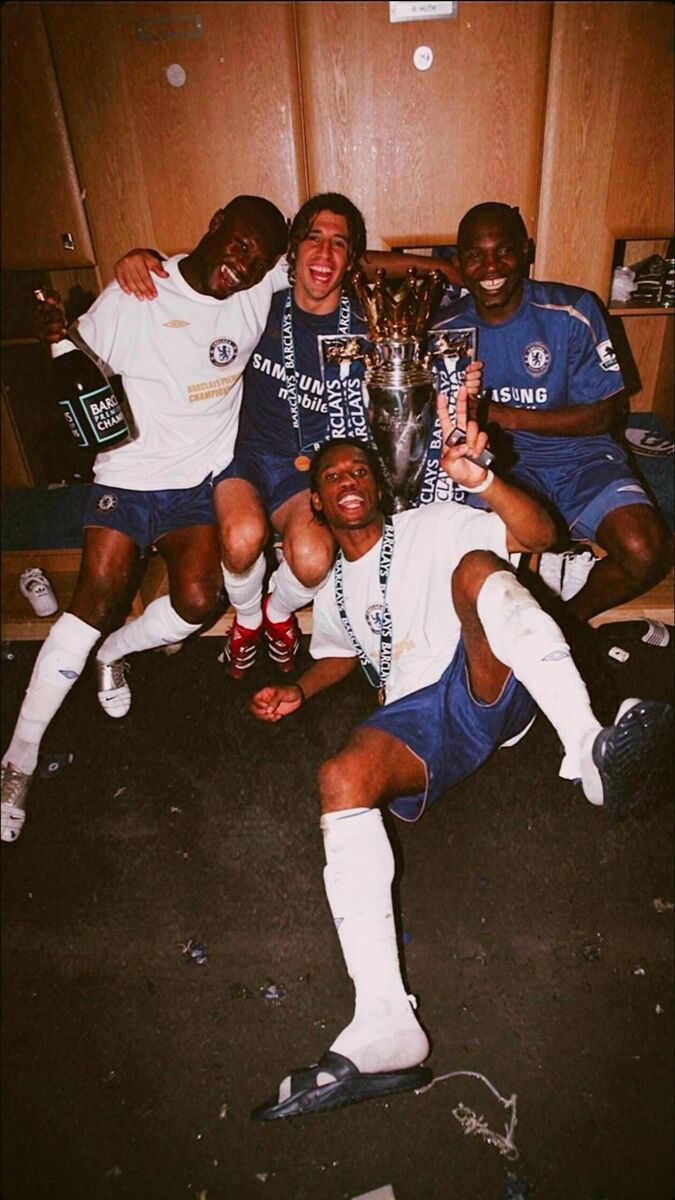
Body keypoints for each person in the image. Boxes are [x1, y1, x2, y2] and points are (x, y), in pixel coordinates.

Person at [247, 390, 673, 1120]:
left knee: (477, 565)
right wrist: (298, 689)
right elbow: (339, 656)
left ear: (379, 486)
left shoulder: (434, 523)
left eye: (360, 470)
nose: (348, 481)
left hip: (482, 669)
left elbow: (538, 533)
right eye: (333, 476)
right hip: (422, 717)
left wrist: (483, 480)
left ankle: (589, 748)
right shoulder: (336, 589)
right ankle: (385, 1024)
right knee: (340, 776)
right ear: (315, 502)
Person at [0, 195, 289, 843]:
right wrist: (55, 335)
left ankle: (116, 654)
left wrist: (439, 273)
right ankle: (18, 760)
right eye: (240, 245)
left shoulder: (261, 283)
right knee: (95, 600)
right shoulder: (137, 291)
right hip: (128, 476)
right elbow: (71, 359)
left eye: (260, 258)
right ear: (214, 225)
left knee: (199, 599)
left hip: (196, 485)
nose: (245, 266)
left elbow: (329, 253)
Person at [114, 194, 467, 679]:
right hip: (245, 454)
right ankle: (247, 619)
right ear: (293, 251)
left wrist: (449, 292)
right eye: (313, 240)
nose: (324, 254)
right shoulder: (254, 303)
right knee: (241, 540)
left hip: (311, 465)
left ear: (352, 258)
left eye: (339, 244)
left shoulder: (367, 325)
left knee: (313, 558)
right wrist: (142, 258)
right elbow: (192, 284)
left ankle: (278, 613)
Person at [430, 201, 673, 621]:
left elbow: (607, 415)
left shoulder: (573, 310)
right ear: (459, 264)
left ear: (525, 251)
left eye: (503, 250)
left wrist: (507, 415)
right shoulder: (442, 331)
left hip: (581, 457)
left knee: (646, 549)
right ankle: (537, 593)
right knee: (469, 563)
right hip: (499, 465)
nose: (491, 267)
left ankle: (566, 621)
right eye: (475, 255)